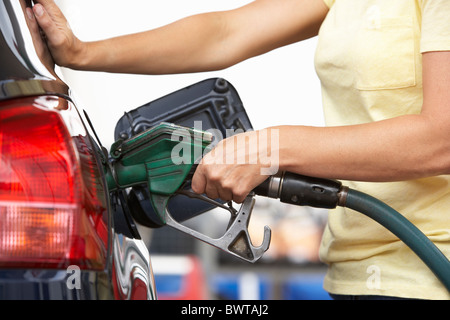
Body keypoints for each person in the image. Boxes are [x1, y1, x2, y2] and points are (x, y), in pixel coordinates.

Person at [28, 0, 450, 300]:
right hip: (354, 276)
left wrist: (270, 148)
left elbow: (441, 139)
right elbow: (226, 33)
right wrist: (80, 53)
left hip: (431, 274)